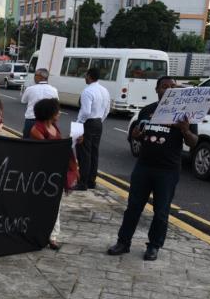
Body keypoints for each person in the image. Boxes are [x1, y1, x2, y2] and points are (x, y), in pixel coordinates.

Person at [108, 77, 197, 261]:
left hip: (168, 170)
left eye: (173, 87)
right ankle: (123, 242)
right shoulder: (147, 111)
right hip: (144, 167)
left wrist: (185, 130)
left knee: (161, 211)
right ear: (157, 90)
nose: (169, 89)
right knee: (133, 207)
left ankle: (154, 246)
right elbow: (138, 135)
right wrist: (136, 135)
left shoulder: (184, 114)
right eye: (165, 86)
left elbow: (193, 142)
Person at [29, 98, 78, 250]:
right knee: (41, 205)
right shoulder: (36, 129)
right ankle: (39, 234)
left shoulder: (54, 127)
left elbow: (61, 146)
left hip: (56, 172)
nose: (59, 113)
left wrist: (75, 140)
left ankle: (53, 236)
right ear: (49, 113)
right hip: (43, 173)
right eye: (57, 110)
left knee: (55, 204)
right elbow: (49, 149)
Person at [75, 67, 110, 190]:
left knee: (84, 153)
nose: (85, 78)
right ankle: (91, 181)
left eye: (86, 75)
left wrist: (79, 124)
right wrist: (99, 120)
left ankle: (82, 183)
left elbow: (85, 111)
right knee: (94, 153)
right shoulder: (105, 90)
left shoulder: (87, 91)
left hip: (87, 123)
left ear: (89, 76)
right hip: (98, 123)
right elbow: (107, 110)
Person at [20, 68, 59, 137]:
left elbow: (23, 101)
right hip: (47, 122)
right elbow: (56, 104)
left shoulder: (30, 89)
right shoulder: (54, 90)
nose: (34, 77)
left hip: (31, 120)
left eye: (35, 75)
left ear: (39, 76)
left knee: (26, 144)